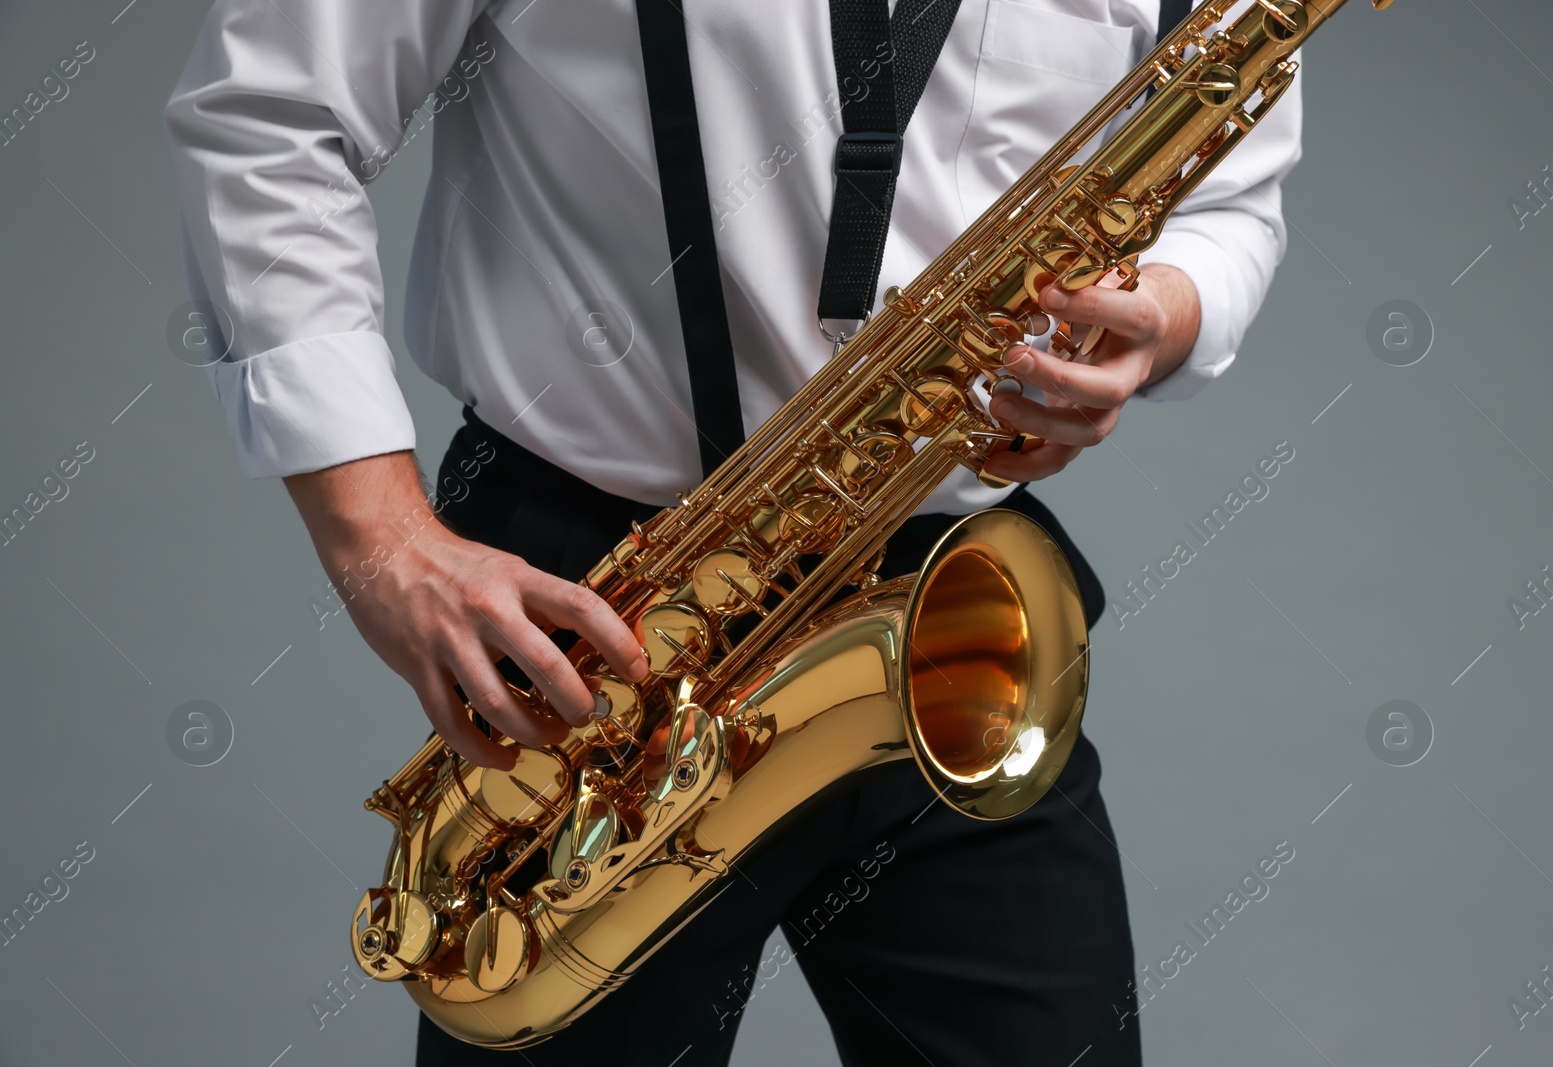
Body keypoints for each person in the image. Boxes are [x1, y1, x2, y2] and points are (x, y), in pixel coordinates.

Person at [165, 1, 1300, 1063]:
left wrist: (1158, 317)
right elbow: (267, 116)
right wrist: (380, 536)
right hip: (603, 624)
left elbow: (1230, 197)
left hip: (942, 618)